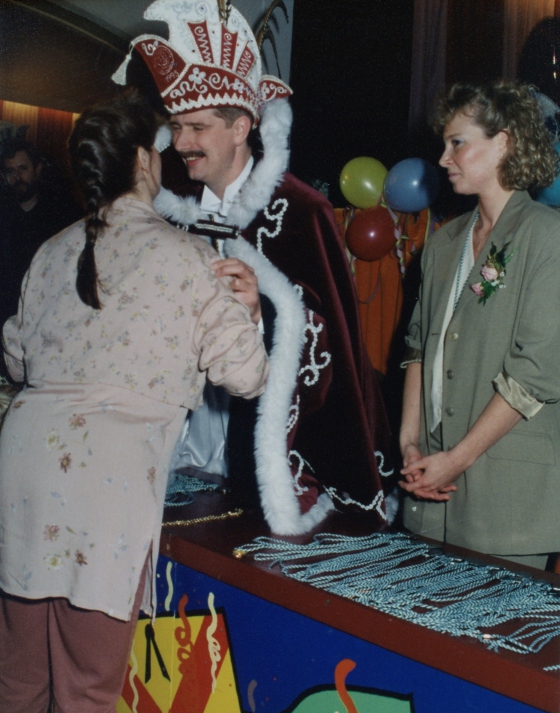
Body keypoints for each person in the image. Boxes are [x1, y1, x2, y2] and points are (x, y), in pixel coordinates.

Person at [0, 91, 268, 713]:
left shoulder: (51, 251)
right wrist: (250, 309)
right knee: (86, 700)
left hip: (22, 468)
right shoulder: (187, 258)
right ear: (145, 161)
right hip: (107, 483)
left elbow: (16, 358)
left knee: (17, 683)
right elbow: (246, 376)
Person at [112, 0, 394, 536]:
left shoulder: (301, 211)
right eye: (176, 127)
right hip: (183, 438)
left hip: (268, 448)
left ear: (241, 128)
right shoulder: (165, 208)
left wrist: (264, 312)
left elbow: (333, 338)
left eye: (197, 127)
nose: (182, 143)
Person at [399, 81, 560, 568]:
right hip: (431, 493)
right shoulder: (443, 243)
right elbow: (417, 349)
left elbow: (535, 375)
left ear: (504, 143)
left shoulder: (547, 236)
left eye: (457, 143)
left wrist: (457, 459)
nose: (443, 158)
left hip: (506, 503)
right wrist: (409, 443)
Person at [0, 138, 82, 339]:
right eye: (10, 171)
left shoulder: (63, 214)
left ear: (37, 169)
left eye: (23, 168)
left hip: (48, 317)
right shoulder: (4, 214)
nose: (17, 177)